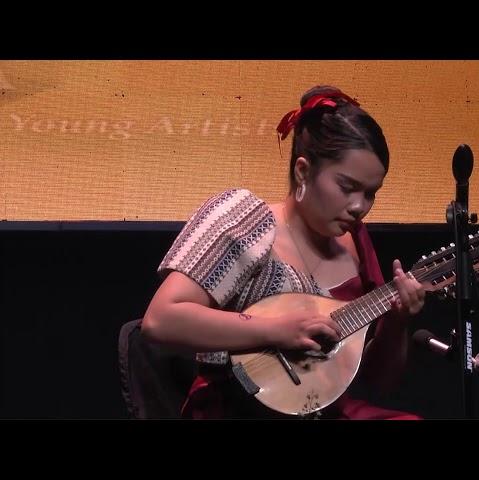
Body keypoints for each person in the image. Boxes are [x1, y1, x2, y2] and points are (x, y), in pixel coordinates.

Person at [141, 85, 425, 419]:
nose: (359, 207)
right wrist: (279, 330)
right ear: (303, 171)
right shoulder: (246, 221)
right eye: (347, 187)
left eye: (371, 194)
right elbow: (160, 319)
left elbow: (380, 382)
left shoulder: (357, 242)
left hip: (322, 409)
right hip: (241, 409)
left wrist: (397, 322)